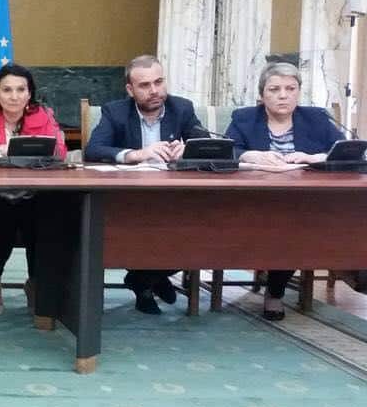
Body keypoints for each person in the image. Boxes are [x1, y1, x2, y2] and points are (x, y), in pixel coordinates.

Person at [84, 54, 205, 314]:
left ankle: (142, 279)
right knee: (129, 230)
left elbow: (207, 144)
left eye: (159, 82)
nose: (154, 91)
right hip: (128, 199)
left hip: (175, 198)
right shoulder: (116, 112)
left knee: (200, 230)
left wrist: (189, 149)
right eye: (145, 85)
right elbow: (93, 150)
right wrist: (135, 154)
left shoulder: (182, 108)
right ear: (130, 90)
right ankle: (151, 280)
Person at [226, 62, 344, 321]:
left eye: (290, 89)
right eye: (275, 89)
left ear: (298, 92)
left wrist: (314, 157)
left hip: (304, 202)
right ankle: (275, 288)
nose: (283, 95)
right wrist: (250, 154)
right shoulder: (244, 118)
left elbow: (345, 151)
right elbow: (226, 150)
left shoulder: (316, 118)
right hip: (252, 200)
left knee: (297, 226)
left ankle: (275, 290)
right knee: (285, 224)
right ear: (262, 94)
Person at [0, 64, 72, 316]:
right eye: (7, 90)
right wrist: (5, 149)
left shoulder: (43, 116)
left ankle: (35, 281)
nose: (14, 96)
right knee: (4, 213)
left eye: (21, 90)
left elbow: (59, 152)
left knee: (44, 216)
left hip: (33, 192)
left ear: (29, 93)